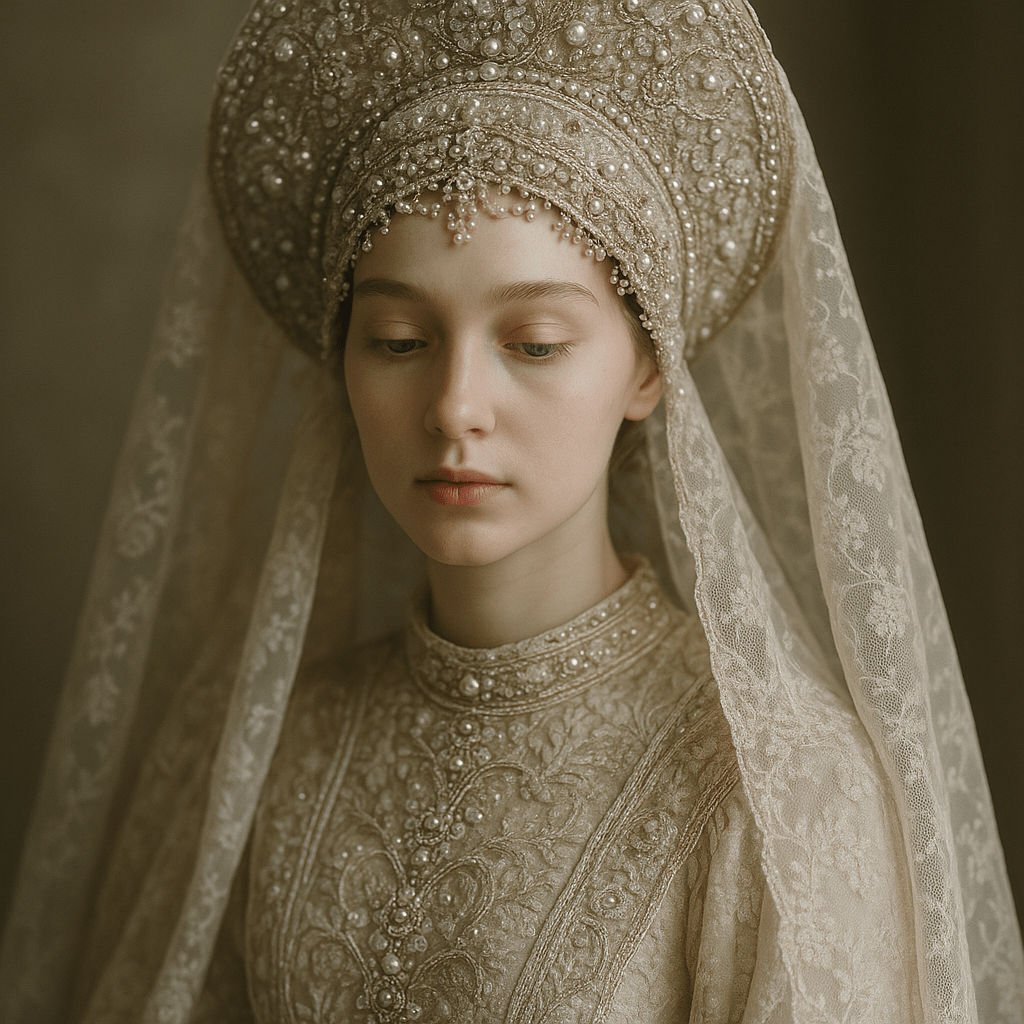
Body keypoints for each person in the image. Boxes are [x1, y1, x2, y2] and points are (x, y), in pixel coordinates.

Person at [1, 0, 1021, 1021]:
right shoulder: (274, 747)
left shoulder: (776, 785)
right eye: (399, 339)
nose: (454, 410)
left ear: (646, 367)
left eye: (533, 342)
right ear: (340, 359)